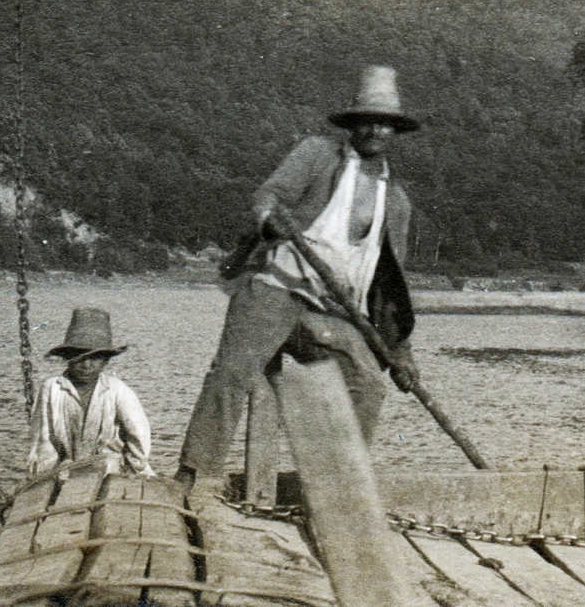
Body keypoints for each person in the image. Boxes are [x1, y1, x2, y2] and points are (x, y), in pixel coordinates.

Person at [176, 65, 421, 487]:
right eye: (367, 120)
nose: (376, 130)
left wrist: (403, 353)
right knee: (233, 372)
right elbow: (268, 197)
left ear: (396, 132)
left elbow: (389, 287)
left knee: (367, 384)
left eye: (385, 123)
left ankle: (338, 488)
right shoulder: (317, 155)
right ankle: (194, 475)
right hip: (274, 287)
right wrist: (270, 220)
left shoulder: (395, 202)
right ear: (353, 124)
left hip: (326, 311)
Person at [27, 306, 157, 476]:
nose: (86, 364)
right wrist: (45, 476)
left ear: (105, 362)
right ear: (67, 358)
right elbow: (44, 439)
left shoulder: (117, 390)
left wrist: (135, 467)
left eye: (94, 358)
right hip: (65, 471)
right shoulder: (52, 388)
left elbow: (138, 434)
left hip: (111, 470)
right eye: (79, 356)